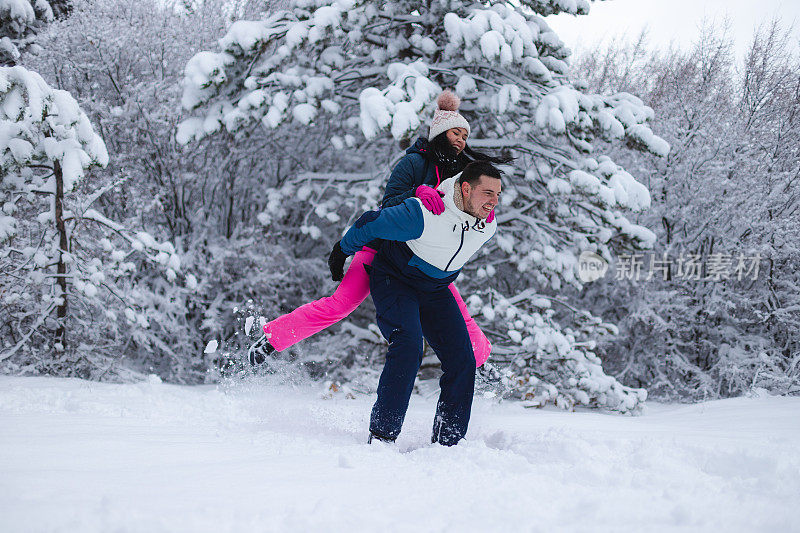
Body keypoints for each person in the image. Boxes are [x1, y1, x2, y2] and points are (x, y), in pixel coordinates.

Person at [249, 90, 510, 367]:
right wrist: (418, 192)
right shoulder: (413, 163)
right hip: (381, 248)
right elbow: (388, 205)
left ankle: (482, 363)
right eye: (455, 133)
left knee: (457, 310)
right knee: (340, 305)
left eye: (465, 136)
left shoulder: (461, 177)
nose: (461, 140)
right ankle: (271, 339)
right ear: (440, 133)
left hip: (422, 257)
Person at [336, 160, 503, 446]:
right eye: (487, 193)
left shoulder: (487, 225)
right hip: (395, 278)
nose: (494, 202)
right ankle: (382, 435)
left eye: (498, 194)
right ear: (465, 188)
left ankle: (449, 441)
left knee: (463, 358)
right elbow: (371, 221)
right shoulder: (426, 213)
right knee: (409, 345)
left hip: (435, 288)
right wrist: (341, 252)